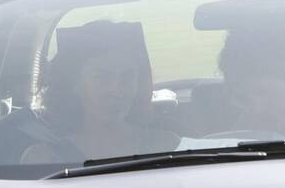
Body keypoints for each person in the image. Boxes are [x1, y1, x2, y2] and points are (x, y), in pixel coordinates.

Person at [21, 20, 177, 163]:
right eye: (102, 78)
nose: (117, 90)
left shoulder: (169, 146)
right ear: (75, 84)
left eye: (127, 77)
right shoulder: (42, 160)